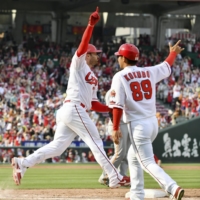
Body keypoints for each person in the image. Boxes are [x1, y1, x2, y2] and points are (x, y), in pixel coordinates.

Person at [11, 7, 130, 189]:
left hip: (74, 110)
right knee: (95, 141)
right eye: (95, 53)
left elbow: (93, 104)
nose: (98, 55)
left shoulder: (93, 77)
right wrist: (91, 24)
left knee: (58, 147)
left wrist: (110, 108)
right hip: (73, 107)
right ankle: (114, 176)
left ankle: (24, 162)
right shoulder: (78, 64)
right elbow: (82, 46)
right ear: (88, 55)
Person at [110, 41, 185, 200]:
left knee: (146, 162)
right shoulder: (148, 71)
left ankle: (172, 187)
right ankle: (137, 193)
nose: (118, 59)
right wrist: (173, 53)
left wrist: (115, 127)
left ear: (124, 58)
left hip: (138, 125)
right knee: (133, 156)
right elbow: (166, 66)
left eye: (119, 56)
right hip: (152, 123)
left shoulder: (120, 76)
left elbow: (117, 105)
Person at [98, 89, 131, 185]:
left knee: (126, 154)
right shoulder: (113, 91)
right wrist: (116, 127)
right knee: (119, 153)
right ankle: (105, 175)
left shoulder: (126, 90)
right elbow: (111, 110)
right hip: (117, 124)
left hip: (126, 123)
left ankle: (122, 176)